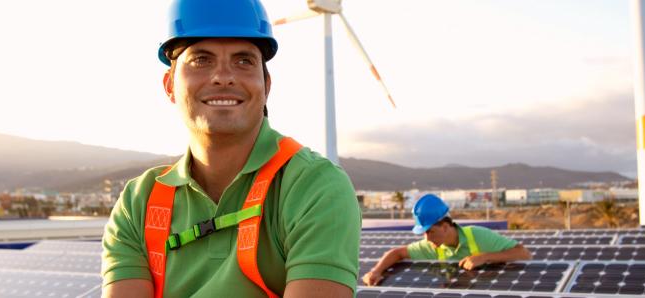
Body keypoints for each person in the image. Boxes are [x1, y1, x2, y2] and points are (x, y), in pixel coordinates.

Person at [100, 0, 361, 297]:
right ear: (169, 85)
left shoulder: (315, 187)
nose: (223, 76)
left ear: (266, 86)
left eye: (243, 60)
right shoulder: (138, 203)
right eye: (201, 59)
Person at [362, 194, 531, 286]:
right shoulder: (432, 246)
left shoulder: (478, 235)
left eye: (430, 232)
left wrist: (484, 257)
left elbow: (523, 253)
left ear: (445, 226)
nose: (427, 238)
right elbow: (397, 253)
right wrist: (376, 271)